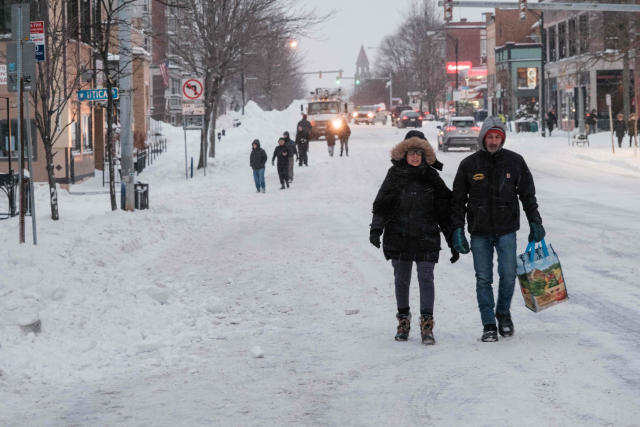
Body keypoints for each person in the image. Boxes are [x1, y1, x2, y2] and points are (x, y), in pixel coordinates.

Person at [451, 116, 545, 343]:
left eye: (497, 137)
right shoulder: (469, 164)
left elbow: (527, 194)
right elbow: (457, 201)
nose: (493, 141)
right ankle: (489, 324)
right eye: (490, 137)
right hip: (479, 230)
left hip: (506, 229)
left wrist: (535, 221)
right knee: (483, 278)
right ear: (483, 137)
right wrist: (457, 229)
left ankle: (503, 312)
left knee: (509, 274)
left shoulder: (515, 162)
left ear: (502, 139)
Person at [369, 130, 458, 345]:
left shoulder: (432, 178)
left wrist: (452, 241)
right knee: (402, 279)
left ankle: (427, 324)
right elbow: (381, 204)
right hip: (399, 236)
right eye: (411, 153)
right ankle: (403, 321)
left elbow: (445, 212)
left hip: (426, 236)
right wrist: (376, 229)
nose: (415, 157)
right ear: (404, 154)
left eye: (419, 153)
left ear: (424, 155)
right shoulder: (394, 175)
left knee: (426, 278)